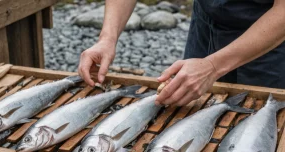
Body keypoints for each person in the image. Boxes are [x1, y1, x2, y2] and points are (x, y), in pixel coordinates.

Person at [78, 0, 285, 106]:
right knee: (192, 111)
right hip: (206, 23)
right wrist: (107, 38)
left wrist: (212, 66)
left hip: (269, 39)